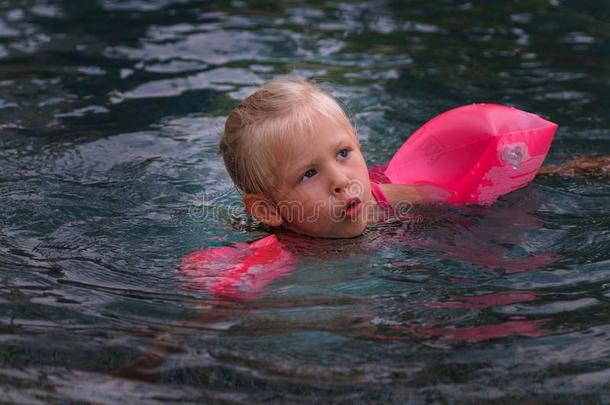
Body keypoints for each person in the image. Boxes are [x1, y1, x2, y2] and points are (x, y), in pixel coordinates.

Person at [219, 77, 449, 238]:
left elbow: (448, 197)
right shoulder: (280, 252)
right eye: (309, 173)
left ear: (357, 144)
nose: (341, 181)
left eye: (343, 153)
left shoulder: (388, 200)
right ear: (268, 210)